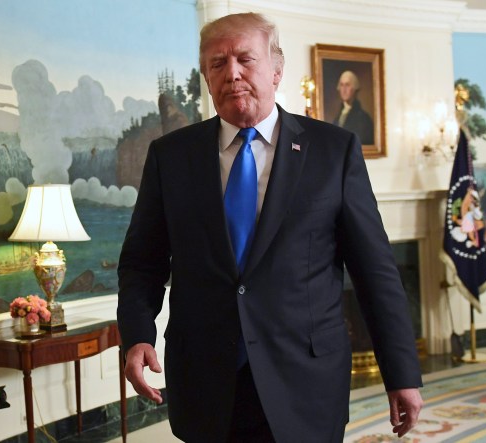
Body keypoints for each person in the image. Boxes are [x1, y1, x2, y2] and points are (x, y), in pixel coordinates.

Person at [117, 12, 422, 443]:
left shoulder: (333, 151)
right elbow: (141, 263)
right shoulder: (171, 156)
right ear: (206, 76)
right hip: (205, 379)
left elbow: (376, 271)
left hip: (305, 381)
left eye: (246, 58)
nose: (233, 73)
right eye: (218, 64)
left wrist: (401, 373)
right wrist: (136, 335)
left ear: (277, 69)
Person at [331, 70, 375, 144]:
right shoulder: (337, 118)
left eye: (347, 85)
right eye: (341, 85)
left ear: (355, 88)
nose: (344, 89)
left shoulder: (364, 118)